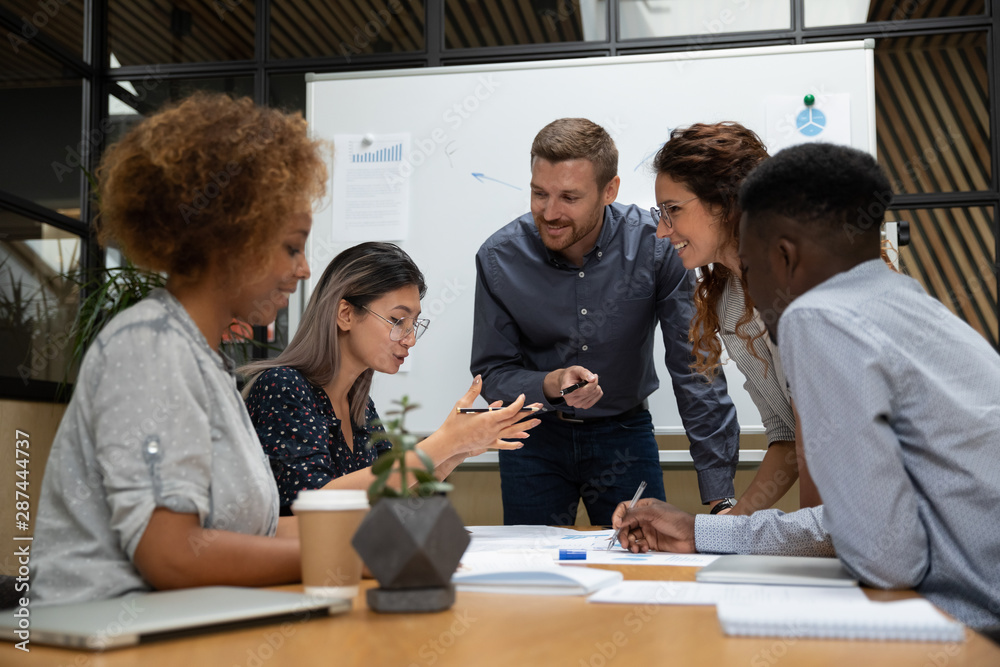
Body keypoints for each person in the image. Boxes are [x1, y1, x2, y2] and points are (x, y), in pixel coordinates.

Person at [612, 142, 1000, 634]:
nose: (741, 278)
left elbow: (883, 555)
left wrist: (704, 530)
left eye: (748, 260)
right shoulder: (900, 298)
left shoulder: (818, 317)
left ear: (783, 255)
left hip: (974, 624)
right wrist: (718, 531)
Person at [31, 93, 326, 604]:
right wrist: (340, 557)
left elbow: (249, 537)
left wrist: (364, 538)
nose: (303, 270)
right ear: (232, 239)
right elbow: (171, 555)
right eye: (292, 247)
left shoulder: (203, 357)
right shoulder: (148, 347)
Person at [471, 117, 740, 526]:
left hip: (625, 436)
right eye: (539, 193)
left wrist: (721, 494)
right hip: (532, 436)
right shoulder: (498, 258)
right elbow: (492, 372)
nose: (549, 212)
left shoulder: (658, 246)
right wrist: (550, 383)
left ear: (609, 190)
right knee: (533, 574)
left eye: (569, 197)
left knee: (641, 564)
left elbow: (694, 366)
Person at [240, 242, 539, 515]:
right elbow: (316, 506)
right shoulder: (282, 387)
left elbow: (392, 501)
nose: (410, 339)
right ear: (345, 314)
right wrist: (445, 442)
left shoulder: (358, 403)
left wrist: (456, 452)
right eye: (397, 321)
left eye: (414, 324)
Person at [651, 122, 809, 515]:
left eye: (672, 211)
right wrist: (730, 524)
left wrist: (815, 541)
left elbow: (822, 441)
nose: (660, 230)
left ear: (724, 201)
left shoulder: (803, 283)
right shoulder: (731, 300)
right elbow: (789, 435)